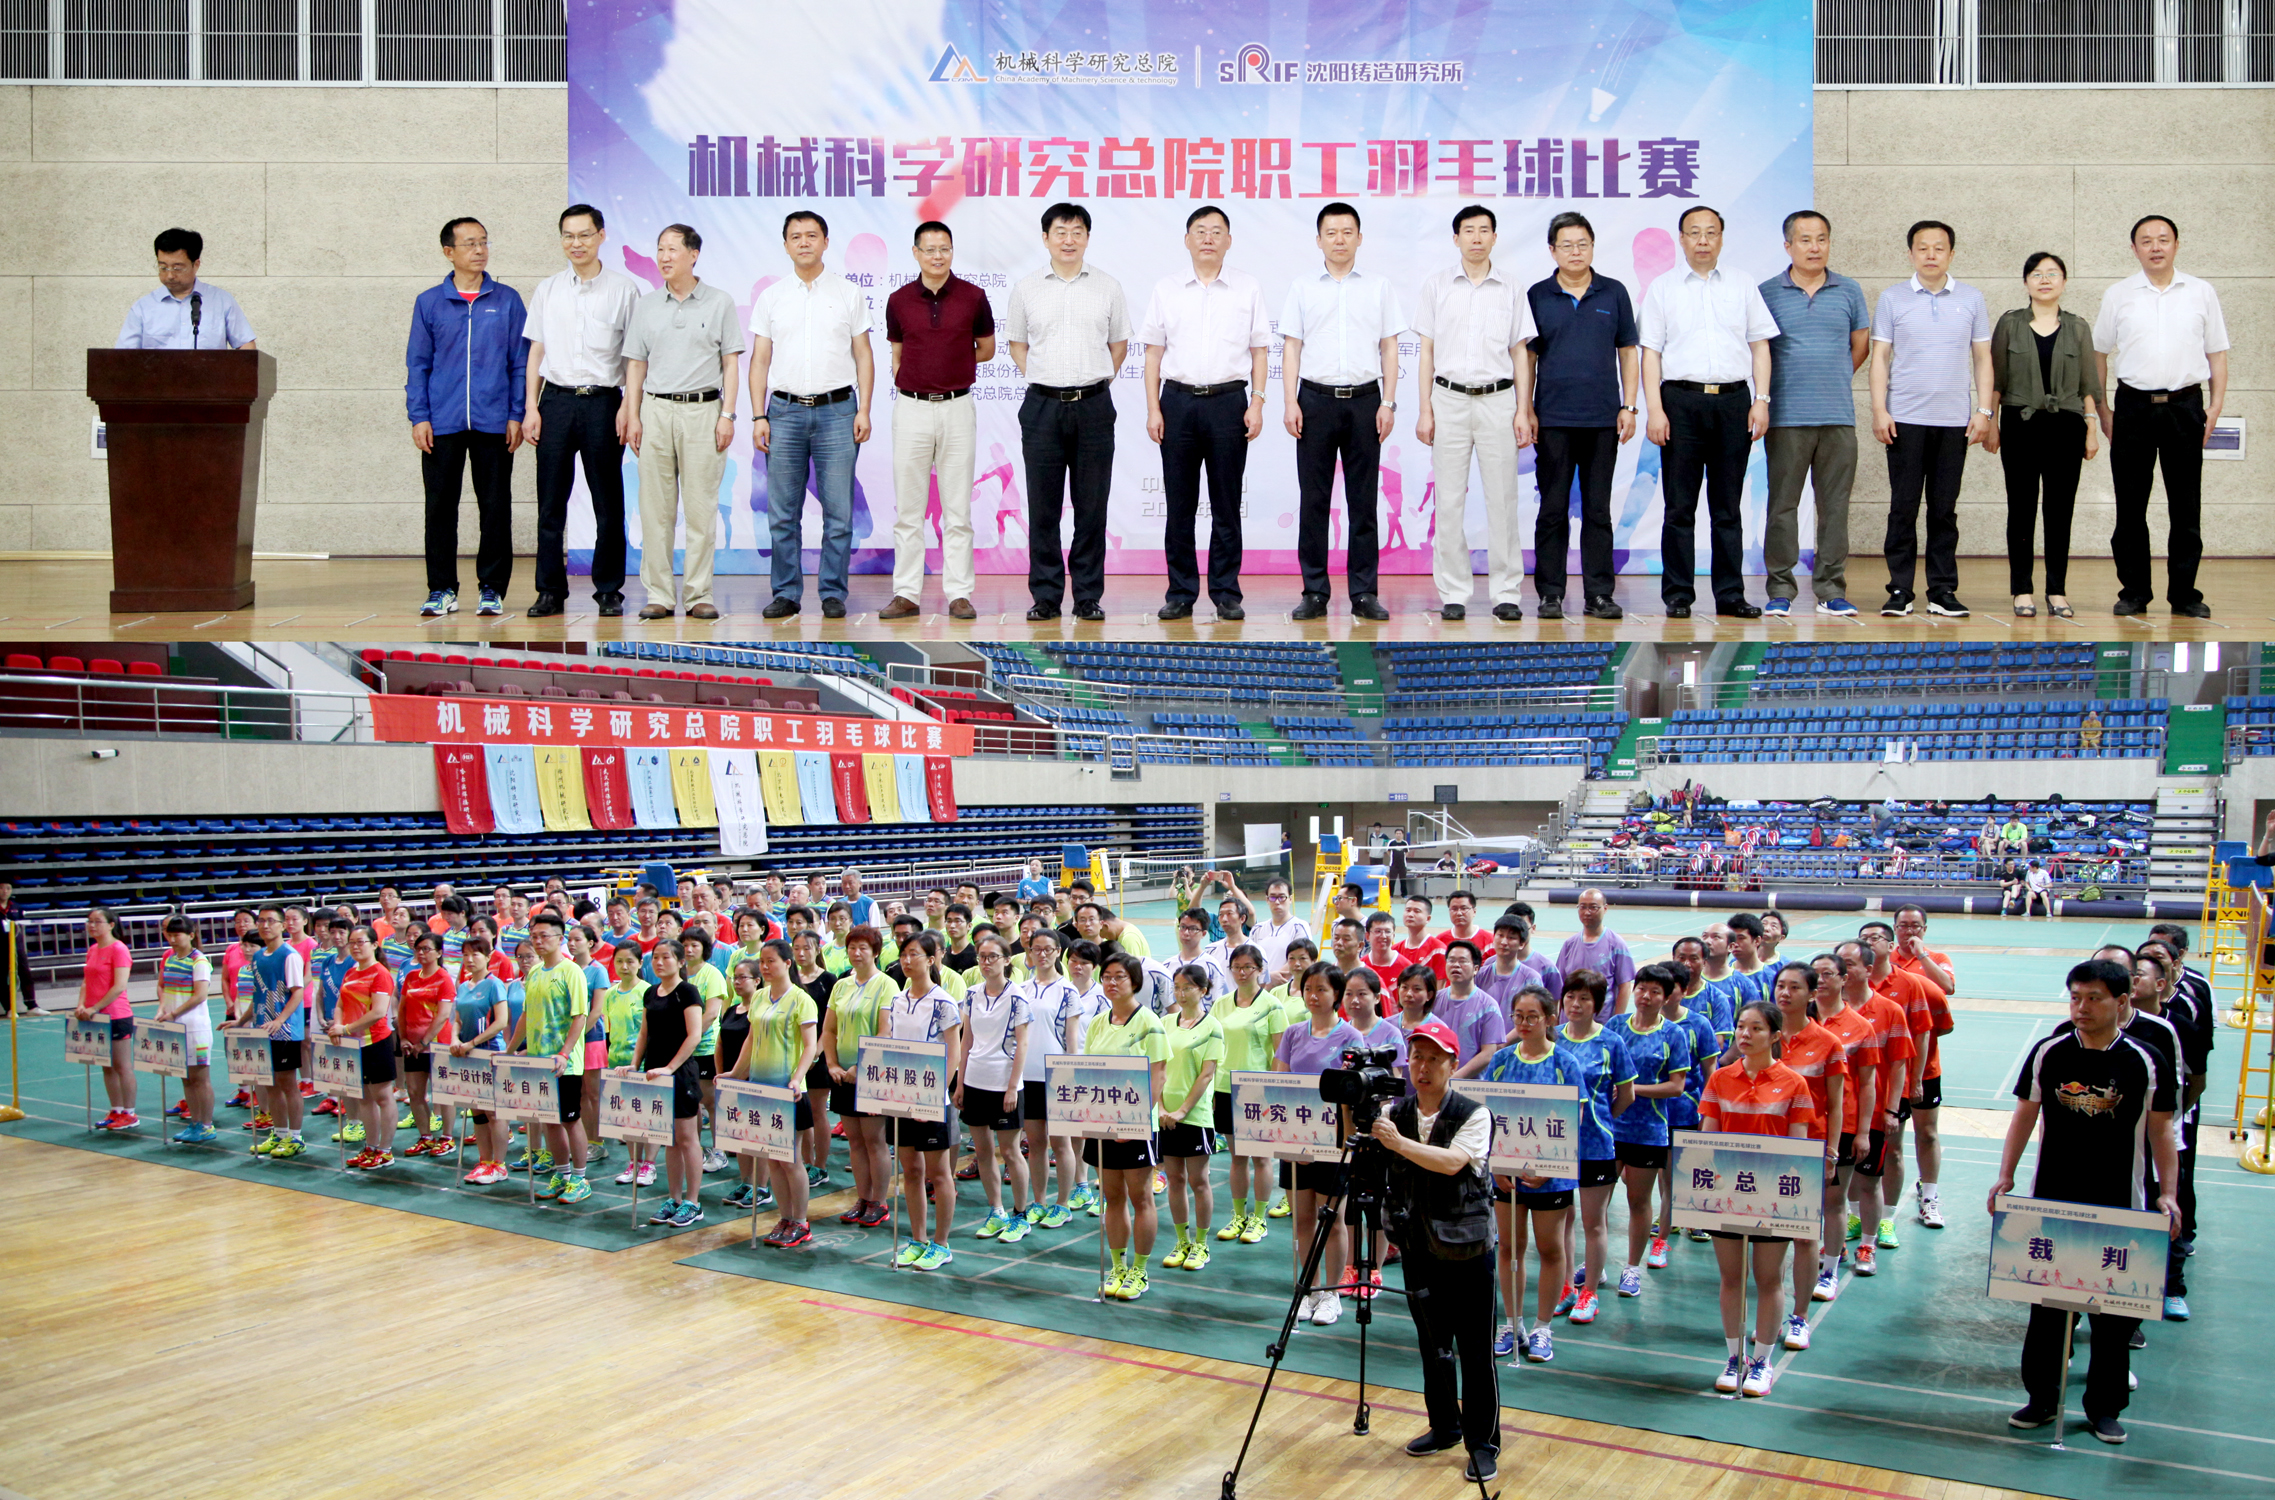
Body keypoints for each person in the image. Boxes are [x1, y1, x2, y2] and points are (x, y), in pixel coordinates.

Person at [1993, 958, 2178, 1445]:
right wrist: (2006, 1176)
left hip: (2120, 1204)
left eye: (2094, 998)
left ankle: (2104, 1408)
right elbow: (2024, 1115)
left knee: (2112, 1317)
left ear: (2122, 1002)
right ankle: (2041, 1398)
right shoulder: (2049, 1052)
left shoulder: (2144, 1060)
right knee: (2048, 1308)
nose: (2081, 1007)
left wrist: (2168, 1193)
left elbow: (2162, 1132)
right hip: (2053, 1203)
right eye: (2075, 997)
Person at [1373, 1017, 1500, 1484]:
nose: (1422, 1067)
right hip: (1417, 1246)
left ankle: (1483, 1443)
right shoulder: (1395, 1112)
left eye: (1433, 1059)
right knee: (1433, 1345)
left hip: (1468, 1252)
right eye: (1416, 1058)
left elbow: (1451, 1163)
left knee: (1475, 1350)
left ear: (1452, 1064)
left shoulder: (1475, 1114)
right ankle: (1445, 1426)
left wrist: (1398, 1142)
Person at [1637, 204, 1776, 620]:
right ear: (1681, 239)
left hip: (1733, 403)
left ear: (1721, 238)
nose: (1703, 240)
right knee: (1679, 507)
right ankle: (1679, 594)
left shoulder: (1742, 283)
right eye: (1694, 232)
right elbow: (1650, 353)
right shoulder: (1663, 288)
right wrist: (1655, 409)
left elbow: (1760, 345)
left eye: (1711, 232)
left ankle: (1731, 595)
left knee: (1727, 508)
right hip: (1680, 402)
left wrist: (1761, 399)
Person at [1138, 204, 1270, 622]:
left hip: (1229, 403)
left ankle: (1226, 593)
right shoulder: (1167, 289)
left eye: (1216, 231)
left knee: (1226, 505)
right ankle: (1180, 593)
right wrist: (1153, 408)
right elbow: (1153, 354)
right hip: (1177, 403)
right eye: (1200, 230)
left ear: (1229, 240)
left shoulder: (1247, 287)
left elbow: (1260, 351)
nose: (1208, 238)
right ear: (1187, 240)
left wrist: (1257, 402)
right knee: (1179, 506)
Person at [2093, 214, 2229, 619]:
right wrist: (2103, 409)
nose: (2155, 247)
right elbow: (2098, 354)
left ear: (2176, 245)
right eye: (2146, 240)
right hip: (2132, 407)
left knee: (2185, 507)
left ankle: (2185, 594)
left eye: (2163, 239)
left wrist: (2215, 406)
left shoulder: (2201, 292)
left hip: (2185, 406)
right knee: (2130, 507)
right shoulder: (2118, 294)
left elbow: (2217, 353)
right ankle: (2134, 592)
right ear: (2133, 249)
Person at [1279, 200, 1403, 622]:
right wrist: (1290, 401)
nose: (1339, 240)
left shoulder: (1379, 287)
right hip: (1314, 401)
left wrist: (1388, 402)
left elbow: (1389, 347)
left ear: (1360, 238)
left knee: (1363, 503)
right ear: (1318, 240)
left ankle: (1364, 593)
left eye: (1347, 232)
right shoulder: (1302, 287)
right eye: (1331, 233)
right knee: (1314, 501)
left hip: (1366, 402)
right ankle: (1314, 592)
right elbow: (1291, 347)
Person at [1006, 202, 1130, 623]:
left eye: (1077, 231)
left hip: (1094, 406)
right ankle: (1045, 597)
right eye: (1060, 231)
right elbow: (1017, 344)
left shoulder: (1108, 287)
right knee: (1043, 508)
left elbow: (1118, 345)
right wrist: (1045, 378)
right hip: (1042, 406)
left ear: (1088, 238)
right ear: (1045, 238)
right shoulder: (1026, 288)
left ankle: (1088, 596)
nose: (1069, 240)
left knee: (1091, 507)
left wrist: (1094, 382)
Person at [1414, 203, 1537, 623]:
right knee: (1448, 501)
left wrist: (1523, 409)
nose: (1477, 237)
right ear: (1456, 238)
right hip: (1447, 399)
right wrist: (1425, 409)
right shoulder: (1437, 286)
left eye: (1484, 230)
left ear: (1495, 238)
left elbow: (1520, 353)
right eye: (1469, 230)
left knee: (1502, 499)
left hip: (1498, 400)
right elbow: (1426, 352)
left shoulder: (1511, 287)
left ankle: (1506, 592)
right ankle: (1453, 592)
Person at [750, 209, 876, 621]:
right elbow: (760, 360)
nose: (804, 242)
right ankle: (786, 592)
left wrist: (864, 408)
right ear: (786, 245)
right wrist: (758, 416)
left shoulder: (847, 293)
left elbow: (863, 355)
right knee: (783, 513)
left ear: (825, 242)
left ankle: (833, 593)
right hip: (784, 413)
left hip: (838, 412)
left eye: (811, 235)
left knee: (838, 513)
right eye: (796, 236)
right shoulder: (772, 297)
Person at [1869, 220, 1994, 619]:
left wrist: (1984, 411)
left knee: (1944, 510)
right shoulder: (1892, 298)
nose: (1931, 255)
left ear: (1951, 254)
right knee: (1902, 508)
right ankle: (1900, 589)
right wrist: (1879, 409)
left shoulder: (1971, 298)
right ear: (1911, 254)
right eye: (1922, 248)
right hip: (1904, 419)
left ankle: (1942, 590)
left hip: (1954, 421)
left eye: (1939, 248)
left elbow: (1982, 357)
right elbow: (1880, 357)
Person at [522, 203, 641, 618]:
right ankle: (549, 591)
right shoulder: (548, 289)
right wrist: (530, 407)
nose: (577, 243)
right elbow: (536, 351)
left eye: (585, 235)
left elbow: (635, 356)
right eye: (568, 236)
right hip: (554, 402)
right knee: (550, 504)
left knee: (608, 503)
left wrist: (629, 406)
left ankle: (609, 590)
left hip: (604, 403)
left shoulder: (624, 290)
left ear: (601, 236)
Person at [406, 216, 526, 619]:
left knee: (495, 507)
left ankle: (492, 588)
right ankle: (441, 589)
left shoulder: (507, 300)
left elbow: (519, 362)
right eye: (470, 243)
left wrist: (516, 413)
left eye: (484, 242)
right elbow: (418, 364)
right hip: (442, 422)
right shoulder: (429, 302)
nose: (479, 250)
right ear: (448, 252)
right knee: (440, 508)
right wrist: (419, 417)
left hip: (494, 422)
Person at [621, 223, 739, 622]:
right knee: (655, 509)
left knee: (702, 508)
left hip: (703, 411)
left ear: (693, 254)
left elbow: (730, 363)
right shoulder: (647, 305)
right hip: (655, 410)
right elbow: (636, 364)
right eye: (660, 249)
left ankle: (698, 594)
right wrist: (632, 414)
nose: (664, 257)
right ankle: (658, 594)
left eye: (672, 249)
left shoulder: (719, 302)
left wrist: (727, 415)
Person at [878, 220, 994, 622]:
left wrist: (952, 362)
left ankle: (959, 593)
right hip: (911, 408)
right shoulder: (898, 300)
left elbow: (987, 349)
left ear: (952, 251)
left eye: (944, 248)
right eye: (929, 249)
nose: (937, 256)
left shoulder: (973, 297)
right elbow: (897, 352)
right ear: (916, 253)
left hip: (957, 407)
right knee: (909, 510)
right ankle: (906, 593)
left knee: (957, 509)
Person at [1757, 209, 1870, 618]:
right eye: (1805, 239)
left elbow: (1860, 346)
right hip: (1786, 418)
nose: (1814, 247)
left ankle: (1830, 589)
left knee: (1834, 508)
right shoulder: (1767, 292)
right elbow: (1759, 351)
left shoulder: (1849, 290)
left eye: (1821, 239)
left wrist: (1829, 377)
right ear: (1788, 245)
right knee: (1782, 507)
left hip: (1838, 417)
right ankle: (1780, 589)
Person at [1526, 211, 1638, 621]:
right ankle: (1550, 593)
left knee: (1597, 510)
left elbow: (1628, 352)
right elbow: (1528, 359)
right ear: (1552, 250)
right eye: (1567, 245)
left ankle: (1599, 594)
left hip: (1602, 419)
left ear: (1592, 247)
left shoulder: (1614, 292)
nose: (1575, 252)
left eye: (1582, 244)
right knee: (1552, 509)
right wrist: (1526, 409)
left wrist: (1629, 406)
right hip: (1553, 419)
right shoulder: (1538, 295)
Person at [1700, 999, 1815, 1398]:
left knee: (1768, 1279)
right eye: (1741, 1027)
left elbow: (1797, 1150)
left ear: (1775, 1036)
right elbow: (1709, 1138)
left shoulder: (1794, 1084)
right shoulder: (1720, 1079)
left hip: (1772, 1197)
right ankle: (1735, 1358)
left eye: (1756, 1028)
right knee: (1731, 1278)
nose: (1745, 1035)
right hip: (1728, 1195)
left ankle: (1762, 1361)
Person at [1986, 251, 2103, 619]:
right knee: (2020, 508)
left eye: (2053, 273)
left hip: (2067, 425)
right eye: (2037, 274)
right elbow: (1996, 378)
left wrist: (2092, 429)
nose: (2045, 280)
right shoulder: (2009, 324)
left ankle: (2057, 590)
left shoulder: (2078, 327)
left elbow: (2088, 383)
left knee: (2060, 510)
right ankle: (2022, 589)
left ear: (2064, 282)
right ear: (2026, 282)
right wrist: (1991, 423)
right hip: (2020, 423)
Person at [1480, 988, 1581, 1364]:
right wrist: (1497, 1164)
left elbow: (1574, 1118)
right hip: (1506, 1174)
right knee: (1509, 1248)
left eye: (1532, 1017)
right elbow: (1486, 1115)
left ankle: (1542, 1328)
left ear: (1550, 1019)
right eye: (1518, 1016)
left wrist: (1548, 1167)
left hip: (1551, 1176)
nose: (1523, 1023)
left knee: (1550, 1249)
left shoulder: (1565, 1062)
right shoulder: (1502, 1060)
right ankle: (1512, 1324)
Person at [1273, 962, 1364, 1324]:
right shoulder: (1293, 1033)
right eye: (1308, 988)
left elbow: (1353, 1096)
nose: (1313, 995)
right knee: (1303, 1219)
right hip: (1296, 1142)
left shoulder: (1351, 1038)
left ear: (1336, 994)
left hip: (1335, 1145)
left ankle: (1331, 1293)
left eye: (1321, 989)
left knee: (1334, 1219)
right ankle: (1308, 1290)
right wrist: (1293, 1141)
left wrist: (1341, 1145)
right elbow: (1280, 1084)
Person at [1550, 969, 1634, 1323]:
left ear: (1597, 1004)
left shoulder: (1611, 1042)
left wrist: (1602, 1121)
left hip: (1596, 1145)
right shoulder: (1552, 1038)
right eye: (1570, 996)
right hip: (1556, 1144)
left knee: (1593, 1222)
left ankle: (1590, 1293)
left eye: (1584, 998)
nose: (1575, 1004)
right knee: (1562, 1220)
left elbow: (1626, 1095)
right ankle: (1567, 1286)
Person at [1086, 954, 1171, 1300]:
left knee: (1141, 1197)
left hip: (1136, 1126)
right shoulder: (1097, 1023)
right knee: (1112, 1197)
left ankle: (1139, 1270)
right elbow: (1089, 1074)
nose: (1111, 982)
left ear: (1134, 982)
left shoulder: (1150, 1022)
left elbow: (1158, 1076)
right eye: (1106, 976)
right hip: (1103, 1124)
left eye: (1119, 976)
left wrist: (1132, 1121)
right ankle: (1118, 1267)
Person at [1606, 962, 1692, 1301]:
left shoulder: (1673, 1034)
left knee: (1638, 1201)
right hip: (1610, 1128)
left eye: (1655, 991)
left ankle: (1631, 1267)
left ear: (1666, 997)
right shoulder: (1616, 1026)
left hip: (1648, 1132)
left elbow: (1676, 1086)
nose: (1645, 996)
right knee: (1598, 1200)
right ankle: (1595, 1264)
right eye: (1641, 988)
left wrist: (1633, 1090)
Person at [728, 942, 819, 1249]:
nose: (765, 967)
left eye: (771, 961)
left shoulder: (801, 1000)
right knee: (772, 1158)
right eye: (762, 962)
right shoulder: (758, 998)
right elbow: (751, 1040)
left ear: (788, 963)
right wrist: (735, 1073)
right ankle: (785, 1217)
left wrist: (797, 1078)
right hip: (760, 1089)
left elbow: (810, 1045)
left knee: (790, 1159)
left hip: (789, 1092)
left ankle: (801, 1221)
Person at [821, 926, 899, 1229]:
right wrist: (832, 1064)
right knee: (854, 1140)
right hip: (842, 1075)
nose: (856, 953)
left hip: (873, 1074)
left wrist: (861, 1066)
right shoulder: (841, 986)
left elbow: (885, 1032)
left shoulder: (886, 984)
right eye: (852, 947)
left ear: (875, 952)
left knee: (874, 1140)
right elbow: (829, 1030)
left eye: (863, 948)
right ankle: (863, 1197)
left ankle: (879, 1201)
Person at [512, 912, 593, 1205]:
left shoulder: (572, 971)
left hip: (564, 1064)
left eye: (544, 935)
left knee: (570, 1120)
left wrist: (564, 1052)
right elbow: (526, 1015)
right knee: (550, 1121)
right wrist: (510, 1050)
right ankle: (562, 1174)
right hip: (538, 1063)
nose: (538, 941)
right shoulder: (534, 972)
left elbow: (580, 1016)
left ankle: (581, 1178)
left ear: (560, 938)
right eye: (534, 936)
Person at [958, 933, 1032, 1242]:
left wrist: (1012, 1087)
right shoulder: (971, 994)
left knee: (1011, 1152)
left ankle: (1020, 1215)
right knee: (983, 1151)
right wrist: (960, 1083)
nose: (986, 962)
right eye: (981, 957)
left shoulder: (1017, 997)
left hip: (1004, 1085)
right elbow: (966, 1040)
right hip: (974, 1082)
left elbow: (1022, 1044)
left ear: (1006, 960)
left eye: (992, 957)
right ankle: (996, 1210)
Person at [1213, 943, 1287, 1244]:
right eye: (1237, 967)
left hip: (1258, 1090)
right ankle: (1238, 1215)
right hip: (1225, 1087)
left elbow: (1280, 1053)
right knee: (1237, 1157)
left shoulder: (1272, 1006)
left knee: (1261, 1159)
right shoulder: (1221, 1004)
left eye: (1248, 967)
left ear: (1260, 970)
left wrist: (1274, 1090)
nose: (1242, 973)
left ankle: (1258, 1218)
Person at [633, 937, 707, 1228]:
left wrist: (670, 1067)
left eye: (666, 957)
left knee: (687, 1139)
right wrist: (635, 1065)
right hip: (655, 1074)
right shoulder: (650, 992)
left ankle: (693, 1202)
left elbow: (694, 1035)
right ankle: (674, 1199)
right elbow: (644, 1034)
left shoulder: (687, 992)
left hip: (680, 1073)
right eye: (656, 957)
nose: (660, 962)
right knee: (669, 1140)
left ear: (680, 961)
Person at [1158, 963, 1226, 1269]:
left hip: (1194, 1116)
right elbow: (1157, 1068)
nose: (1181, 993)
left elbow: (1206, 1074)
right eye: (1177, 987)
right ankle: (1181, 1241)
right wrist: (1161, 1108)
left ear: (1203, 990)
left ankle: (1201, 1244)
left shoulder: (1212, 1027)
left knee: (1199, 1181)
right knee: (1175, 1180)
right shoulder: (1164, 1024)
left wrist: (1183, 1110)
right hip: (1165, 1115)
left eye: (1188, 987)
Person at [327, 926, 399, 1171]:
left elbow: (378, 1012)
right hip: (353, 1045)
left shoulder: (380, 973)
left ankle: (385, 1151)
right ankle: (371, 1146)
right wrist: (338, 1026)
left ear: (374, 945)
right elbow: (340, 1004)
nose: (355, 947)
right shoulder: (350, 972)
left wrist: (346, 1029)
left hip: (375, 1042)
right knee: (364, 1099)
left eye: (361, 942)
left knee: (383, 1096)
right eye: (352, 942)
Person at [117, 227, 255, 350]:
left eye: (177, 268)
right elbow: (124, 356)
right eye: (163, 267)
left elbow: (246, 345)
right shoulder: (143, 307)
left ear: (196, 265)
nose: (170, 275)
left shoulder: (221, 300)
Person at [242, 906, 309, 1158]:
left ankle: (296, 1137)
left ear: (283, 926)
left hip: (285, 1031)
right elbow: (258, 994)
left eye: (271, 921)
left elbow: (297, 992)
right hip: (263, 1028)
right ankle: (279, 1133)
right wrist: (240, 1021)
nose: (265, 925)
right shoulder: (258, 956)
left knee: (288, 1084)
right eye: (261, 921)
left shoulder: (289, 955)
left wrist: (280, 1020)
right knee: (269, 1084)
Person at [449, 940, 513, 1185]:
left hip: (489, 1052)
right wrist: (455, 1039)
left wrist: (472, 1043)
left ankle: (499, 1165)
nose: (469, 959)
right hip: (467, 1056)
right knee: (477, 1110)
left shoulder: (494, 984)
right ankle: (484, 1161)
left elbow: (501, 1021)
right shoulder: (462, 986)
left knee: (494, 1112)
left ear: (488, 957)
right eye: (465, 954)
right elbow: (457, 1020)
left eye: (475, 954)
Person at [396, 926, 458, 1159]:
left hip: (437, 1044)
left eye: (426, 949)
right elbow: (402, 1009)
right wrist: (403, 1037)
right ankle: (425, 1137)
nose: (421, 953)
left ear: (439, 953)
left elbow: (443, 1016)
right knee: (414, 1092)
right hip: (412, 1045)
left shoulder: (444, 978)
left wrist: (424, 1041)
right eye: (418, 949)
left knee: (443, 1093)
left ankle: (447, 1138)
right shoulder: (411, 977)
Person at [75, 907, 138, 1131]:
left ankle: (130, 1113)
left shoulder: (119, 949)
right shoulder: (93, 949)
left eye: (97, 921)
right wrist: (81, 1004)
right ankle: (116, 1109)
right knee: (106, 1066)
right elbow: (86, 981)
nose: (92, 925)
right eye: (89, 921)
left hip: (116, 1015)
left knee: (122, 1065)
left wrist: (95, 1007)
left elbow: (119, 986)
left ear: (111, 925)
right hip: (95, 1016)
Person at [154, 917, 216, 1143]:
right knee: (186, 1078)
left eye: (177, 934)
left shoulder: (199, 961)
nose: (172, 939)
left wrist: (174, 1014)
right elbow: (164, 988)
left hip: (195, 1029)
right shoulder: (170, 959)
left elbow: (200, 995)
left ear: (191, 935)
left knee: (200, 1078)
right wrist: (162, 1009)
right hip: (175, 1028)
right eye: (169, 934)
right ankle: (195, 1122)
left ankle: (207, 1125)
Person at [1556, 888, 1636, 1016]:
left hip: (1601, 1021)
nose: (1587, 912)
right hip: (1570, 1021)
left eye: (1593, 907)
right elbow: (1560, 984)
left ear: (1605, 908)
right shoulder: (1569, 944)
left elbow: (1624, 986)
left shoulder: (1616, 944)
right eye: (1582, 907)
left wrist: (1616, 1020)